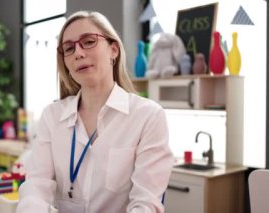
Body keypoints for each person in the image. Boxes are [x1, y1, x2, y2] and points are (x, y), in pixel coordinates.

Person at [17, 10, 173, 213]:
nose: (79, 53)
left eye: (89, 41)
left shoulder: (148, 116)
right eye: (69, 48)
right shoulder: (52, 116)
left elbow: (146, 204)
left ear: (113, 50)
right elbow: (36, 186)